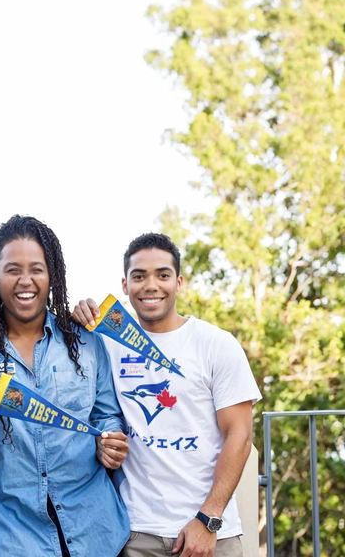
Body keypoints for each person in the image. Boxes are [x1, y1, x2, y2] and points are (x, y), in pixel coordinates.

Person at [0, 215, 130, 557]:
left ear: (52, 276)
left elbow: (107, 417)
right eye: (12, 269)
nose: (25, 280)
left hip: (96, 534)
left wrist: (111, 443)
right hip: (10, 540)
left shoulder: (87, 343)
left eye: (36, 269)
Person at [72, 233, 262, 557]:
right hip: (136, 533)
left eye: (162, 275)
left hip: (212, 533)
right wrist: (76, 312)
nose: (151, 285)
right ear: (124, 284)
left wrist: (208, 519)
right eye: (139, 276)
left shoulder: (216, 344)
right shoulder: (105, 343)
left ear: (179, 282)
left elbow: (240, 436)